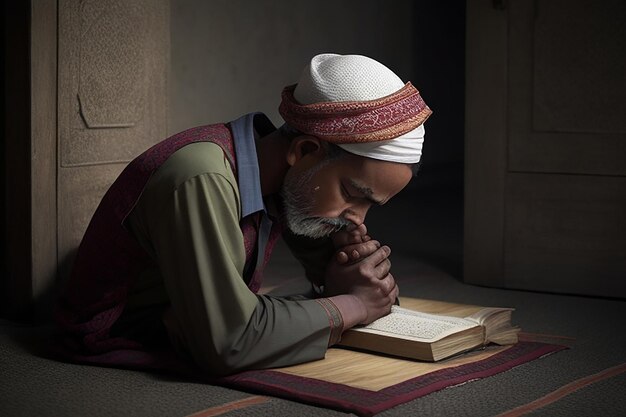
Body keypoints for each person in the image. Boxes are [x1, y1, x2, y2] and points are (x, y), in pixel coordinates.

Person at [55, 53, 432, 376]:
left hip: (190, 320)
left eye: (369, 206)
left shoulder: (286, 180)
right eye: (353, 194)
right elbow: (228, 344)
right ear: (303, 151)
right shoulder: (202, 176)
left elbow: (344, 287)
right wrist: (357, 304)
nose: (358, 219)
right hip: (122, 330)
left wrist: (345, 268)